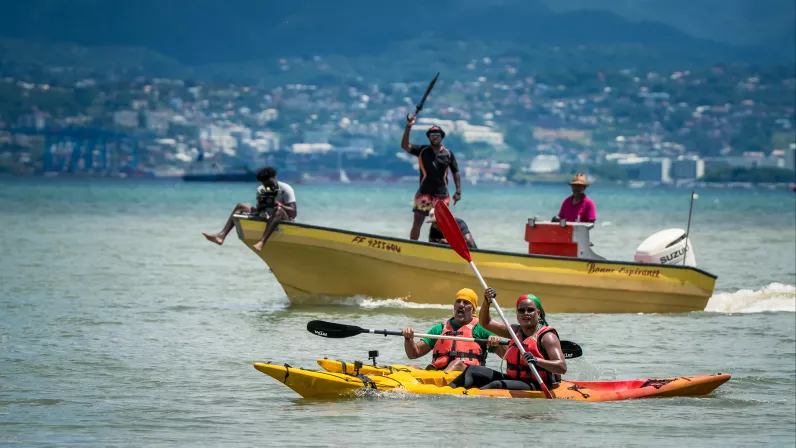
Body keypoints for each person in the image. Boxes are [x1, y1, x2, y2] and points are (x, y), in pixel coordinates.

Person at [448, 288, 567, 391]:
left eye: (530, 310)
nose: (526, 313)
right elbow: (486, 323)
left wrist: (536, 360)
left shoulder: (547, 337)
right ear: (517, 315)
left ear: (538, 314)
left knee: (497, 384)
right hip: (514, 379)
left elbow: (562, 367)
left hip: (538, 384)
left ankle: (472, 398)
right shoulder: (515, 332)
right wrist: (487, 301)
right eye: (521, 310)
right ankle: (447, 391)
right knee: (472, 370)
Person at [401, 288, 504, 372]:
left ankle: (438, 377)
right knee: (410, 368)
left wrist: (496, 342)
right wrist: (408, 339)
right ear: (454, 306)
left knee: (456, 364)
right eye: (458, 301)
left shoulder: (481, 329)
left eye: (466, 302)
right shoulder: (440, 329)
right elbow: (413, 354)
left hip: (468, 375)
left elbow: (506, 355)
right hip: (438, 372)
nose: (461, 305)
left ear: (473, 309)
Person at [202, 166, 297, 252]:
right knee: (240, 206)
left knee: (278, 209)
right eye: (266, 185)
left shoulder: (286, 189)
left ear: (274, 177)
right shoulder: (261, 190)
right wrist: (261, 204)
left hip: (284, 217)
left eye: (271, 184)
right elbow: (260, 211)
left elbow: (293, 213)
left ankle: (262, 242)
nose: (269, 187)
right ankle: (221, 236)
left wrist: (278, 204)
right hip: (267, 215)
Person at [401, 115, 462, 241]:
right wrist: (408, 126)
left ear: (442, 137)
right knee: (418, 221)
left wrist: (458, 191)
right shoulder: (422, 150)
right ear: (428, 137)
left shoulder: (448, 154)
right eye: (432, 134)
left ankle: (441, 246)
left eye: (438, 134)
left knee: (442, 224)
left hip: (442, 195)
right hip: (424, 193)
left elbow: (455, 172)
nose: (435, 136)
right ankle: (412, 246)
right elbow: (405, 146)